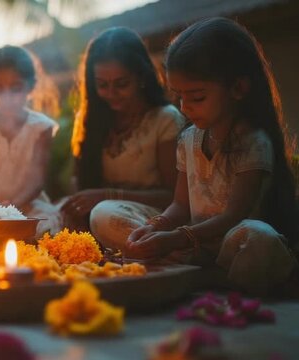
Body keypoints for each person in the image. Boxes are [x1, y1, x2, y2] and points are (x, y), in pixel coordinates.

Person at [127, 18, 298, 295]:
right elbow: (180, 206)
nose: (185, 108)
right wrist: (155, 227)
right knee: (105, 215)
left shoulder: (253, 142)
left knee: (258, 238)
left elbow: (234, 217)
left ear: (238, 88)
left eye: (196, 97)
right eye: (179, 97)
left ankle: (211, 277)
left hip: (236, 246)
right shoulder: (189, 139)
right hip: (195, 245)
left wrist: (176, 238)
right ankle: (203, 272)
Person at [62, 27, 186, 251]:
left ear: (141, 77)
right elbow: (81, 184)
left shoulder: (165, 120)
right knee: (49, 218)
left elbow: (176, 198)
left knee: (105, 215)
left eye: (121, 84)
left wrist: (107, 196)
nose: (111, 93)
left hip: (153, 219)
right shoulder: (93, 120)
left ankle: (167, 252)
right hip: (101, 215)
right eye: (102, 85)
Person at [0, 45, 59, 236]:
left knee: (46, 228)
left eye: (16, 88)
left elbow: (37, 180)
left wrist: (12, 207)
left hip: (29, 205)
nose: (7, 97)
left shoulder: (41, 127)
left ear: (30, 87)